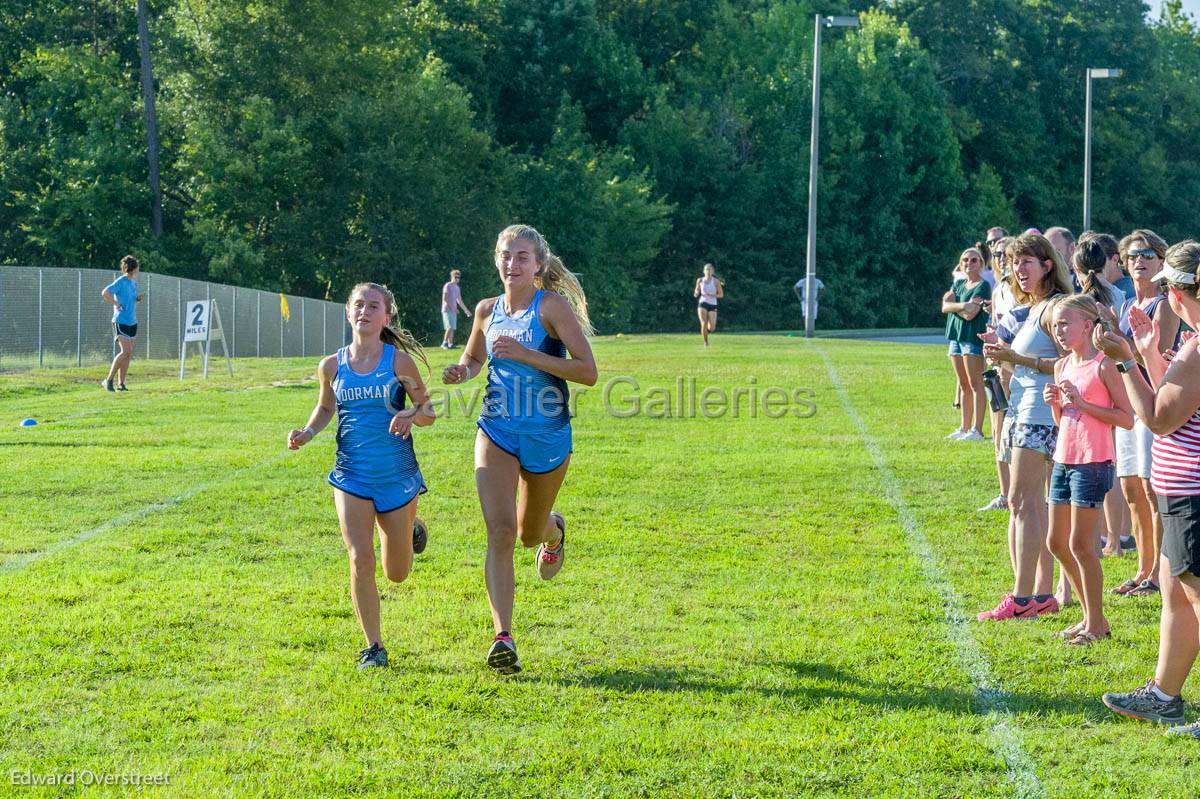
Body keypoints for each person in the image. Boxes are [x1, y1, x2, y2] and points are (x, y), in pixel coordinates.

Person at [443, 224, 598, 675]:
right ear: (497, 260)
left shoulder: (551, 308)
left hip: (548, 436)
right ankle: (503, 638)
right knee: (501, 532)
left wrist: (527, 354)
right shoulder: (486, 310)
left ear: (538, 266)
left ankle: (555, 531)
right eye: (506, 256)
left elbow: (587, 371)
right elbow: (475, 359)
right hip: (497, 430)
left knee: (530, 534)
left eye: (522, 257)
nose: (513, 264)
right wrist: (461, 371)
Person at [288, 282, 435, 670]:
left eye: (374, 306)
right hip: (351, 474)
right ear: (347, 311)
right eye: (358, 304)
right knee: (360, 557)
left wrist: (409, 415)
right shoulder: (331, 365)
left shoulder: (399, 362)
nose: (365, 311)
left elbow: (428, 412)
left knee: (397, 573)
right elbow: (324, 408)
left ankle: (411, 525)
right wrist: (307, 432)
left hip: (397, 476)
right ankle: (374, 647)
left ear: (386, 316)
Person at [1098, 241, 1200, 737]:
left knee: (1195, 599)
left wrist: (1123, 364)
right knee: (1177, 596)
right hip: (1181, 493)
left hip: (1194, 496)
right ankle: (1164, 696)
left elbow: (1159, 418)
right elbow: (1175, 398)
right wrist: (1145, 354)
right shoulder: (1192, 341)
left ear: (1178, 293)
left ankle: (1166, 697)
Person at [978, 232, 1073, 621]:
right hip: (1023, 410)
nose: (1018, 270)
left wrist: (1017, 357)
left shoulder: (1054, 307)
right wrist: (1006, 355)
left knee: (1021, 502)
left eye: (1026, 262)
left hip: (1038, 415)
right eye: (1014, 263)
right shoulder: (1034, 307)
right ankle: (1042, 595)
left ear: (1047, 265)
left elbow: (1072, 363)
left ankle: (1020, 600)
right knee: (1033, 504)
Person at [1042, 295, 1133, 646]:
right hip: (1064, 458)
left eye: (1066, 323)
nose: (1060, 330)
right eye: (1056, 325)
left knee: (1081, 544)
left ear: (1089, 325)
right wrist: (1057, 405)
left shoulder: (1103, 365)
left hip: (1093, 462)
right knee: (1056, 542)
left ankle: (1095, 624)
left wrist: (1082, 403)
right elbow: (1065, 420)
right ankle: (1091, 617)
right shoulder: (1061, 365)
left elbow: (1125, 418)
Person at [1111, 229, 1183, 598]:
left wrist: (1120, 346)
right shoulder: (1125, 305)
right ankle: (1142, 566)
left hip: (1153, 403)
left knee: (1153, 490)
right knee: (1131, 489)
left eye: (1149, 254)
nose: (1139, 259)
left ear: (1161, 262)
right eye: (1133, 254)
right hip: (1128, 402)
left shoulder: (1165, 303)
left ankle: (1157, 572)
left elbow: (1160, 357)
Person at [942, 248, 991, 441]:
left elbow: (972, 314)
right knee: (963, 384)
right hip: (956, 337)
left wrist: (955, 307)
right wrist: (962, 306)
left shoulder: (983, 286)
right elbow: (945, 307)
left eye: (974, 260)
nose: (969, 264)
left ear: (981, 263)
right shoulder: (959, 284)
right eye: (965, 260)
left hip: (972, 337)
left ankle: (977, 430)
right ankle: (964, 427)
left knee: (975, 383)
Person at [100, 255, 142, 392]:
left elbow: (130, 299)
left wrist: (136, 300)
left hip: (132, 322)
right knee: (126, 351)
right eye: (137, 268)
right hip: (120, 321)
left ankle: (121, 384)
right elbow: (105, 292)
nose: (138, 270)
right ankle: (108, 380)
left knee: (128, 354)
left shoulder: (133, 283)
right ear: (133, 268)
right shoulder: (121, 281)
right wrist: (116, 303)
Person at [441, 269, 472, 350]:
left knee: (453, 328)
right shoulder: (448, 285)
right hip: (446, 310)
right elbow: (445, 299)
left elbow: (459, 301)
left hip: (453, 310)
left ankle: (450, 344)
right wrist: (453, 308)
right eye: (456, 277)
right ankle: (444, 343)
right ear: (452, 277)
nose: (457, 279)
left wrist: (466, 310)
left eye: (458, 277)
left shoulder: (457, 288)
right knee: (449, 327)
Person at [695, 264, 724, 347]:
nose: (708, 271)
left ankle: (705, 332)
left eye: (710, 269)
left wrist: (713, 295)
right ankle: (706, 342)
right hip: (702, 303)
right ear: (703, 271)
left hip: (713, 304)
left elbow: (721, 295)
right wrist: (696, 293)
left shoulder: (716, 281)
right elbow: (696, 290)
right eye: (706, 269)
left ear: (713, 272)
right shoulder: (700, 280)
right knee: (703, 323)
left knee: (712, 327)